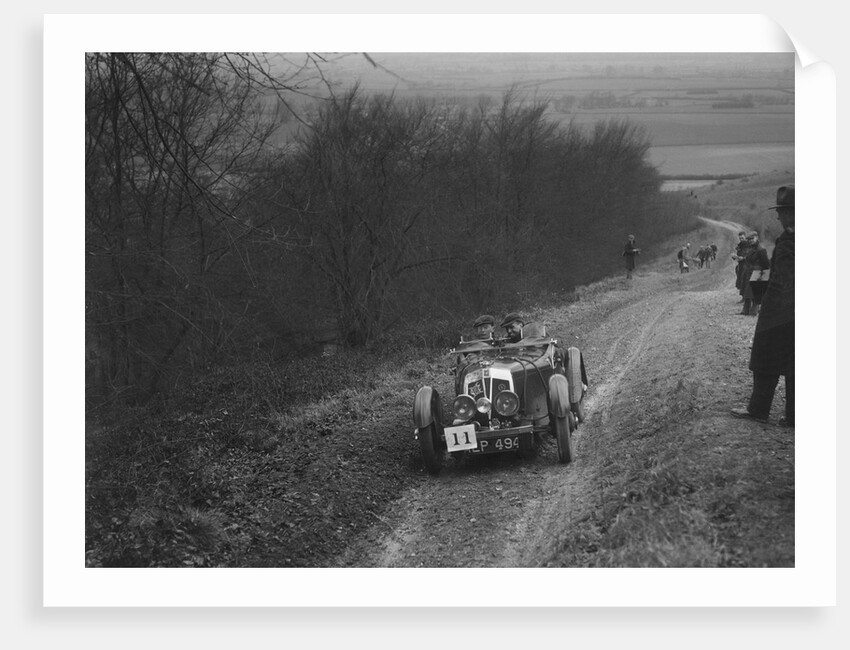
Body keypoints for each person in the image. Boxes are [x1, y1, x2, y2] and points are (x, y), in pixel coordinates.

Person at [731, 186, 794, 426]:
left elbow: (785, 280)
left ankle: (758, 409)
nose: (778, 216)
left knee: (764, 359)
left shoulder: (790, 239)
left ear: (791, 213)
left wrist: (766, 298)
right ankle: (794, 416)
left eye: (782, 211)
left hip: (781, 312)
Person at [739, 231, 770, 316]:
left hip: (758, 272)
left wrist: (763, 275)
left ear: (757, 238)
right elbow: (748, 259)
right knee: (748, 292)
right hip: (750, 272)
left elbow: (766, 264)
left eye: (752, 239)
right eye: (749, 239)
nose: (751, 241)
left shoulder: (761, 250)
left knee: (754, 293)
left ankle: (753, 312)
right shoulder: (751, 249)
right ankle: (746, 311)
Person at [731, 231, 749, 299]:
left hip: (747, 264)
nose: (741, 239)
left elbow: (750, 255)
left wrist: (744, 258)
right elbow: (738, 255)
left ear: (745, 237)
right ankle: (743, 297)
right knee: (740, 279)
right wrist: (734, 257)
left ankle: (746, 298)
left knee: (745, 280)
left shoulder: (748, 244)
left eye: (742, 238)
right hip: (741, 264)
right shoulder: (740, 246)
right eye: (740, 238)